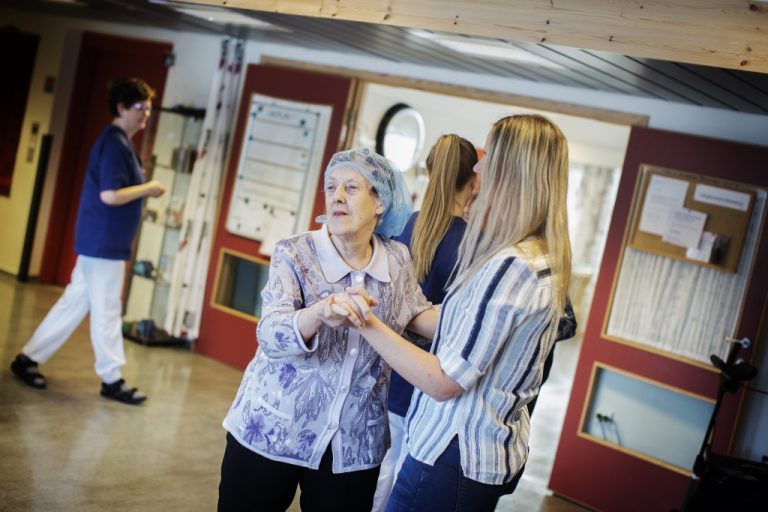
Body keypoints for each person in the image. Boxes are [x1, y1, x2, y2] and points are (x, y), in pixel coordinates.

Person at [348, 114, 572, 511]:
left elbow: (444, 380)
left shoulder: (510, 266)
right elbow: (458, 326)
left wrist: (366, 323)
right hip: (476, 455)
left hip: (451, 457)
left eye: (489, 158)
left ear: (511, 171)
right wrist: (399, 309)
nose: (479, 168)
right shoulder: (536, 258)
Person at [217, 148, 438, 512]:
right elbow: (270, 334)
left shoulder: (397, 258)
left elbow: (416, 314)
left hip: (352, 445)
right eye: (331, 187)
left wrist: (471, 313)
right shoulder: (295, 252)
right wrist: (317, 314)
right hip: (273, 428)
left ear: (380, 201)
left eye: (351, 188)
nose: (336, 196)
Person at [10, 77, 166, 405]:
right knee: (108, 310)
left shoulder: (122, 143)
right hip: (103, 244)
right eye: (140, 108)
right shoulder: (114, 144)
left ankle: (27, 359)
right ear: (122, 107)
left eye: (149, 109)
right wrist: (148, 188)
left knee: (73, 303)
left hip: (104, 242)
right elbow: (109, 195)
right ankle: (112, 379)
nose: (145, 115)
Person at [372, 134, 479, 511]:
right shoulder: (473, 243)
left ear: (429, 172)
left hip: (389, 363)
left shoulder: (407, 225)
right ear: (474, 182)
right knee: (400, 478)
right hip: (431, 379)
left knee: (377, 472)